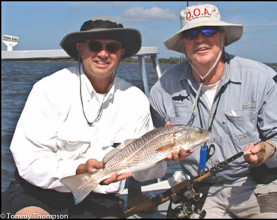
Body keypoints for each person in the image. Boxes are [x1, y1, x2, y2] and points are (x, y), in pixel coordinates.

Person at [3, 16, 170, 219]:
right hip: (38, 194)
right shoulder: (48, 89)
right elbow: (29, 159)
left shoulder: (136, 99)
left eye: (112, 47)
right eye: (94, 45)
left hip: (100, 199)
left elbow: (144, 173)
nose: (103, 53)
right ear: (80, 48)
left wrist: (162, 155)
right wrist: (79, 169)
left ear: (121, 53)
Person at [149, 3, 277, 219]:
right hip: (202, 188)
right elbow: (150, 148)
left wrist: (266, 150)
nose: (200, 39)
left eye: (209, 31)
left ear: (223, 37)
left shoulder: (258, 78)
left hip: (258, 182)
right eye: (191, 34)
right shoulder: (162, 89)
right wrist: (164, 155)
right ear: (183, 43)